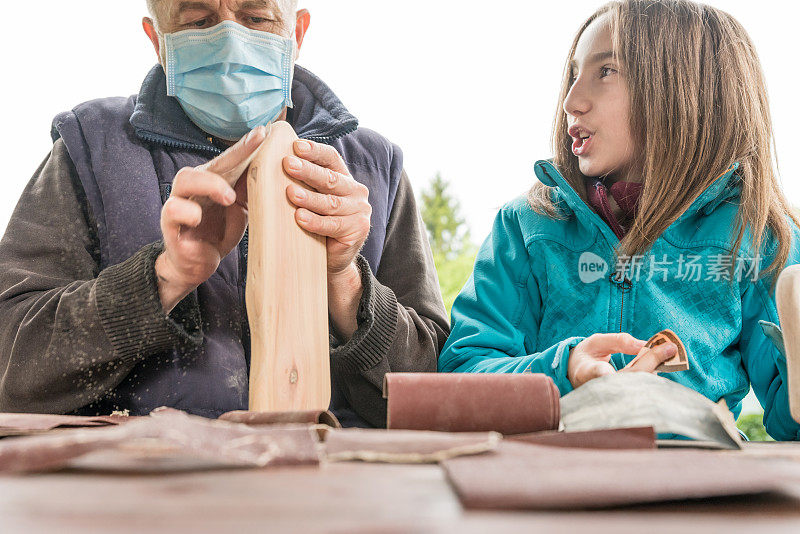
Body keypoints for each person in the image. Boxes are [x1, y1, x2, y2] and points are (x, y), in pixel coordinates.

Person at [0, 0, 448, 428]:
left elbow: (436, 386)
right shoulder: (90, 150)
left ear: (297, 31)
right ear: (158, 39)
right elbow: (11, 366)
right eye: (198, 21)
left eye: (256, 17)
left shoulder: (374, 168)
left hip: (337, 485)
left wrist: (343, 279)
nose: (231, 40)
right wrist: (165, 277)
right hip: (151, 484)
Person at [438, 0, 800, 440]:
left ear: (688, 89)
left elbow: (789, 417)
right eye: (573, 74)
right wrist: (563, 368)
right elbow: (465, 372)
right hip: (556, 487)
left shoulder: (760, 237)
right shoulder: (526, 226)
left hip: (696, 494)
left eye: (606, 71)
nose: (572, 100)